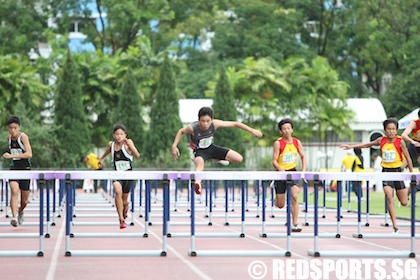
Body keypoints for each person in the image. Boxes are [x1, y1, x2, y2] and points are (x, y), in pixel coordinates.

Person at [340, 118, 413, 234]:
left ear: (397, 130)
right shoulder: (381, 140)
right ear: (385, 130)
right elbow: (367, 145)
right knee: (389, 197)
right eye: (389, 129)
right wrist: (351, 146)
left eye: (393, 129)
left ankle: (404, 197)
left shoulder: (400, 141)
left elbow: (408, 157)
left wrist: (411, 173)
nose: (391, 131)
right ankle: (395, 225)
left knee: (404, 202)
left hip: (398, 172)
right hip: (386, 172)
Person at [171, 107, 263, 195]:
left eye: (208, 121)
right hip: (199, 151)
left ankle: (216, 158)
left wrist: (252, 130)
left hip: (211, 148)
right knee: (199, 164)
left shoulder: (215, 124)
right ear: (198, 120)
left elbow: (235, 124)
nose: (205, 124)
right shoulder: (192, 128)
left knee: (239, 158)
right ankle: (198, 184)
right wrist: (174, 145)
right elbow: (181, 131)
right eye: (203, 121)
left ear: (212, 119)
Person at [98, 124, 140, 229]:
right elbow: (109, 150)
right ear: (114, 135)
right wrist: (101, 158)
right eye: (117, 134)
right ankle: (121, 219)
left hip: (128, 175)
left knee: (125, 200)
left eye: (121, 134)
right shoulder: (111, 145)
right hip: (116, 174)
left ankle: (125, 207)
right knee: (117, 191)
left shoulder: (127, 144)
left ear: (125, 135)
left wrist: (130, 145)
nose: (119, 136)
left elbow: (137, 155)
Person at [271, 118, 306, 232]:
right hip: (281, 173)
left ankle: (295, 223)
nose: (286, 131)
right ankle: (276, 197)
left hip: (293, 172)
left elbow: (303, 156)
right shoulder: (278, 143)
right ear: (281, 131)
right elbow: (274, 161)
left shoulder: (297, 142)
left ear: (292, 130)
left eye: (288, 128)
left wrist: (303, 171)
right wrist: (280, 169)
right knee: (281, 205)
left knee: (295, 197)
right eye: (284, 129)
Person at [2, 116, 32, 227]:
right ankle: (14, 217)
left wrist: (12, 155)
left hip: (25, 170)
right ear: (8, 128)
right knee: (14, 191)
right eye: (10, 128)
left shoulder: (23, 137)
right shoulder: (9, 138)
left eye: (15, 128)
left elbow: (29, 154)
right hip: (14, 169)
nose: (13, 130)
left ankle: (20, 211)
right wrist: (12, 157)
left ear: (19, 127)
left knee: (24, 201)